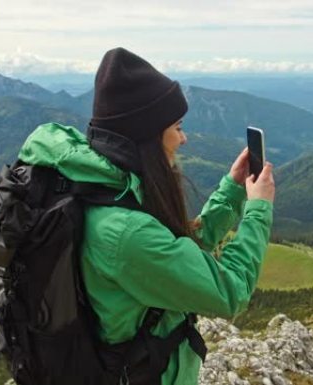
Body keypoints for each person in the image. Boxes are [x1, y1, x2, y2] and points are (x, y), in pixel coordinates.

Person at [17, 47, 274, 385]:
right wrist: (259, 210)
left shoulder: (110, 189)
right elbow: (230, 292)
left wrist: (232, 191)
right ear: (147, 135)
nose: (184, 138)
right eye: (177, 127)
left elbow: (178, 249)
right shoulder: (125, 233)